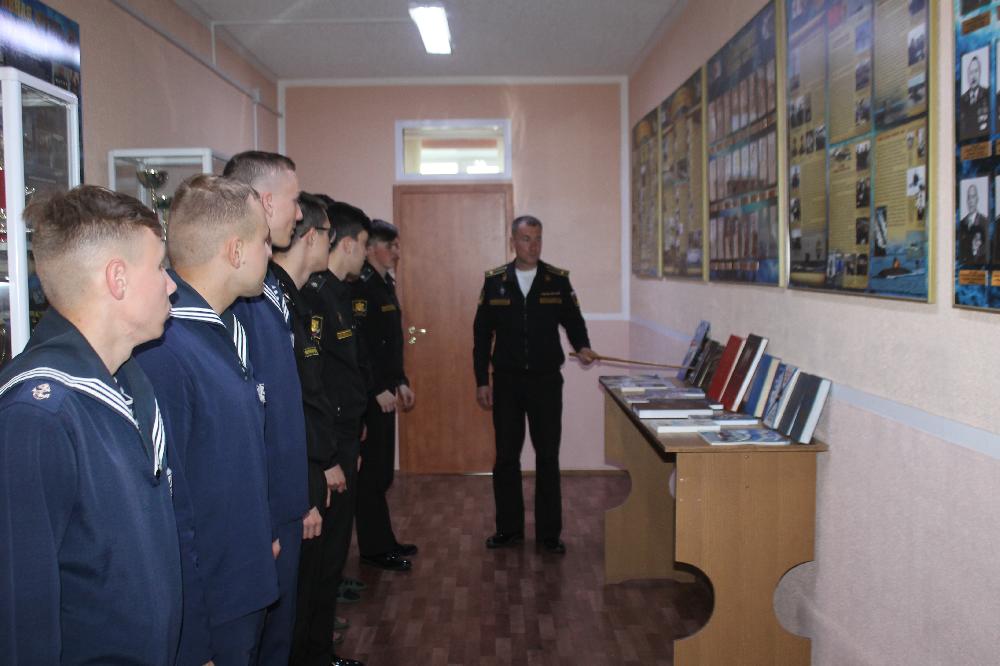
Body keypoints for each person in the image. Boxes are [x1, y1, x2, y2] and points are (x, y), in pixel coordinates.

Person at [0, 186, 181, 663]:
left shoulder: (128, 380)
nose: (171, 285)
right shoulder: (38, 414)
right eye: (160, 267)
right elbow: (21, 610)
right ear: (117, 279)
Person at [135, 175, 278, 665]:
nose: (270, 253)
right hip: (212, 604)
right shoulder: (167, 351)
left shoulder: (221, 329)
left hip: (242, 581)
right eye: (263, 241)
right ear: (236, 251)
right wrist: (194, 642)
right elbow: (173, 507)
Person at [224, 151, 310, 666]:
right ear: (265, 200)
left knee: (278, 637)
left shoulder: (269, 283)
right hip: (260, 511)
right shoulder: (235, 297)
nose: (299, 214)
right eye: (294, 201)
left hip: (283, 501)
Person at [473, 215, 597, 555]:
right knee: (506, 457)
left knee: (547, 456)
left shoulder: (556, 280)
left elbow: (574, 321)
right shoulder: (495, 282)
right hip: (507, 383)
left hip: (545, 382)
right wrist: (482, 380)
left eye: (538, 238)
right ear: (513, 241)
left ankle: (548, 534)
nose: (533, 245)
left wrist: (583, 347)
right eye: (526, 239)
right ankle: (508, 529)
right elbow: (481, 336)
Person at [271, 193, 352, 666]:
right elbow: (289, 402)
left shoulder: (299, 298)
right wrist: (317, 468)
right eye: (326, 233)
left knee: (316, 578)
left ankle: (317, 652)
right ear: (312, 237)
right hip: (301, 468)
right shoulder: (275, 302)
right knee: (299, 591)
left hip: (315, 458)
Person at [301, 200, 372, 666]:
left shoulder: (337, 294)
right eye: (362, 244)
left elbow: (347, 372)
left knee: (333, 553)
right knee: (322, 560)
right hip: (327, 444)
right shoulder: (314, 297)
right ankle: (315, 650)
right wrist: (329, 456)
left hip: (343, 436)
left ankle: (321, 644)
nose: (364, 252)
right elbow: (315, 385)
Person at [352, 218, 417, 570]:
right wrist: (376, 387)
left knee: (382, 475)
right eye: (390, 246)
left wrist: (400, 380)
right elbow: (360, 347)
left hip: (386, 390)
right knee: (372, 476)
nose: (396, 252)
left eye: (396, 245)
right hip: (371, 395)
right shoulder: (360, 287)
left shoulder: (384, 284)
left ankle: (384, 541)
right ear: (371, 248)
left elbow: (391, 344)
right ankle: (375, 549)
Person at [960, 55, 989, 140]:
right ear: (968, 76)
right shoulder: (962, 99)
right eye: (971, 72)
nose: (973, 76)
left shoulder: (988, 94)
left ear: (980, 73)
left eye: (976, 71)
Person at [959, 183, 988, 264]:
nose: (970, 201)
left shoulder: (984, 221)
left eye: (973, 197)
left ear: (977, 199)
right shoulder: (962, 223)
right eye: (968, 197)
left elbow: (986, 249)